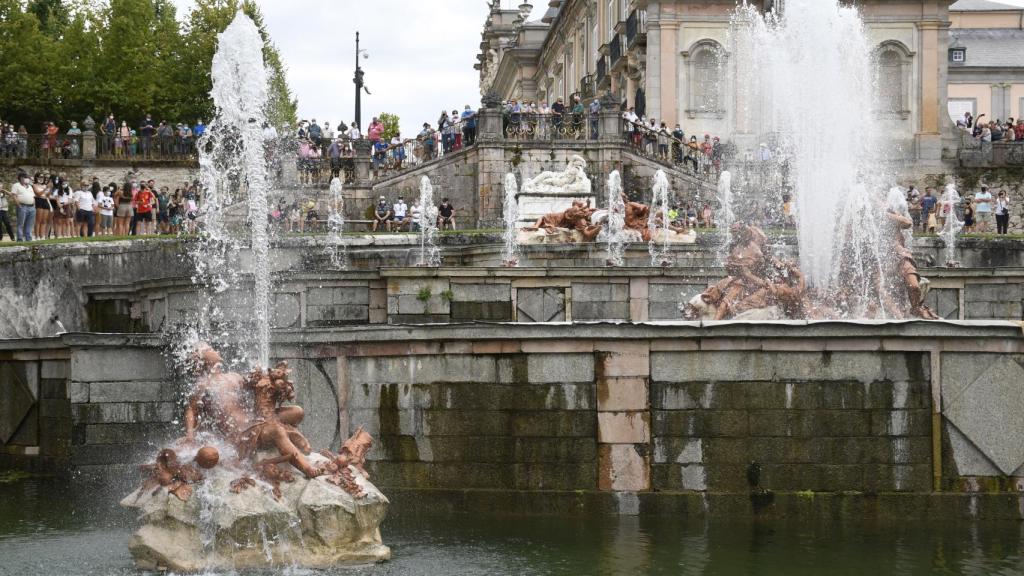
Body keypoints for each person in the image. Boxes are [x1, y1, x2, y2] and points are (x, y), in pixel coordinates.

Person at [12, 173, 34, 241]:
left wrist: (34, 205)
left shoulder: (30, 186)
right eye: (25, 177)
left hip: (31, 207)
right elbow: (14, 195)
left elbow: (33, 196)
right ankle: (19, 239)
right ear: (21, 178)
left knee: (29, 224)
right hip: (22, 206)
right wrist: (19, 205)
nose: (27, 179)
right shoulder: (16, 185)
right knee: (20, 224)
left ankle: (28, 238)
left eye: (27, 177)